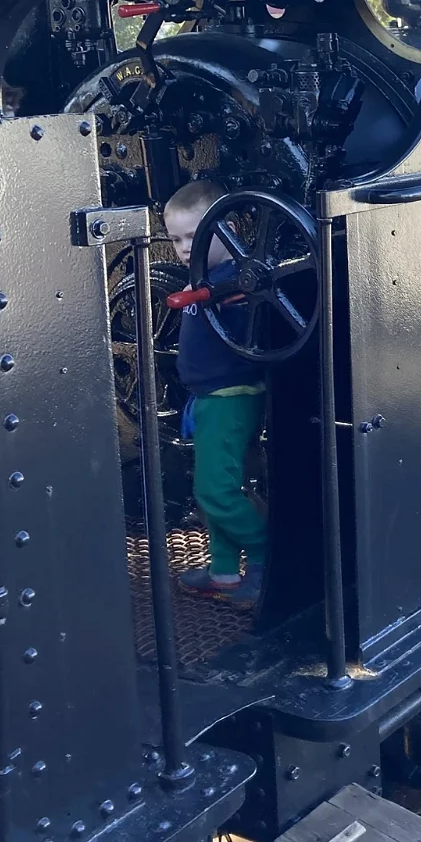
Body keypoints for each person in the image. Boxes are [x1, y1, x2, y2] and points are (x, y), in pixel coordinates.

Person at [163, 179, 268, 607]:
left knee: (215, 491)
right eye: (176, 239)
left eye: (195, 235)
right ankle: (224, 570)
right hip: (208, 398)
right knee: (217, 486)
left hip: (231, 396)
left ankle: (264, 556)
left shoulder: (237, 283)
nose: (185, 247)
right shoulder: (204, 276)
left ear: (227, 229)